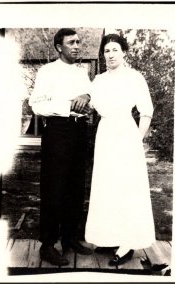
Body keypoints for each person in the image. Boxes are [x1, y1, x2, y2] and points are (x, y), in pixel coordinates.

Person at [85, 34, 156, 266]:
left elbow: (146, 112)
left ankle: (126, 243)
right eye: (107, 51)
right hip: (105, 134)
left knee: (127, 187)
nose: (111, 54)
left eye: (115, 49)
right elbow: (88, 105)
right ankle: (109, 237)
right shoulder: (99, 80)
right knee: (107, 185)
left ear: (124, 52)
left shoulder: (135, 78)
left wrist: (136, 140)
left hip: (126, 134)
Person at [29, 28, 93, 266]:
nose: (76, 46)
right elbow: (36, 104)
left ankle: (69, 238)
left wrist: (86, 95)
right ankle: (47, 245)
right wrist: (68, 106)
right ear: (59, 47)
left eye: (78, 42)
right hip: (58, 130)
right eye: (71, 43)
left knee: (75, 187)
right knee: (54, 186)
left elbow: (92, 99)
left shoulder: (81, 72)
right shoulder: (47, 71)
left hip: (79, 131)